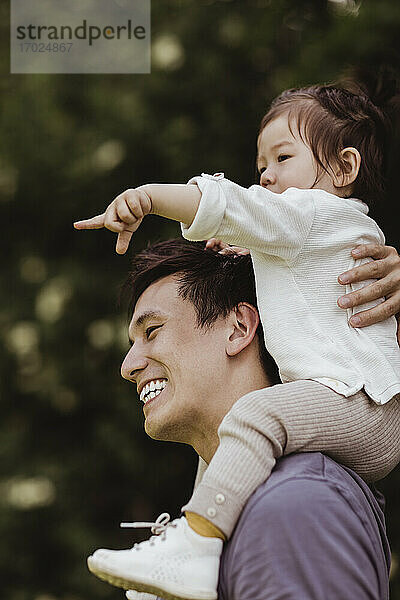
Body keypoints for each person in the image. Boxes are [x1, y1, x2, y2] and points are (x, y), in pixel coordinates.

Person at [75, 83, 400, 600]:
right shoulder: (318, 235)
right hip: (355, 405)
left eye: (283, 156)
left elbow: (228, 204)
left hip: (361, 405)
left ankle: (195, 543)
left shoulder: (295, 505)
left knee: (253, 418)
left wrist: (152, 198)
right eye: (262, 163)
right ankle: (184, 558)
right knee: (231, 449)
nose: (128, 365)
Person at [100, 239, 397, 600]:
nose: (128, 366)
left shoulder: (293, 505)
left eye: (152, 332)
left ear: (239, 327)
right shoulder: (253, 505)